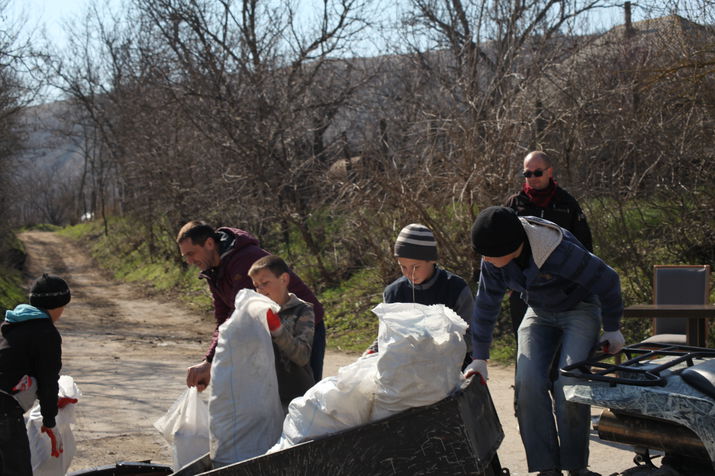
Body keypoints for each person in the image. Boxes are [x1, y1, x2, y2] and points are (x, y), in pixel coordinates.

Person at [465, 206, 625, 476]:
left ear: (512, 247)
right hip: (539, 310)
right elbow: (485, 305)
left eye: (490, 255)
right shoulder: (493, 259)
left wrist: (612, 328)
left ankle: (576, 467)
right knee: (527, 383)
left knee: (569, 382)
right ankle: (546, 468)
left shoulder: (558, 251)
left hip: (580, 308)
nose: (486, 260)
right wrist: (479, 357)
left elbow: (608, 279)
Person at [177, 221, 325, 391]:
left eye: (191, 253)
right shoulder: (213, 271)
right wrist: (210, 360)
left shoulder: (245, 259)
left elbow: (238, 315)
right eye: (185, 256)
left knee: (307, 394)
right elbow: (223, 319)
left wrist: (210, 362)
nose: (189, 261)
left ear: (209, 243)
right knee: (276, 396)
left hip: (303, 323)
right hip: (272, 328)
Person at [504, 150, 593, 335]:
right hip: (524, 289)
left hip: (560, 287)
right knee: (524, 346)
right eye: (527, 173)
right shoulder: (514, 204)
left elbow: (584, 245)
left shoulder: (567, 203)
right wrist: (508, 282)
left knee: (557, 345)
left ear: (549, 172)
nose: (532, 177)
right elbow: (500, 245)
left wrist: (580, 283)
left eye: (538, 172)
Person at [365, 223, 473, 368]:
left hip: (452, 371)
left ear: (432, 260)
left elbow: (471, 336)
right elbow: (387, 335)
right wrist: (373, 350)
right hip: (408, 373)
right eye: (403, 267)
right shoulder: (394, 293)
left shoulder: (455, 288)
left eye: (416, 267)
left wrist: (434, 347)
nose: (409, 273)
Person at [0, 274, 72, 474]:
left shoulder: (11, 326)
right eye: (63, 306)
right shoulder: (45, 333)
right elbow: (48, 379)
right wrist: (50, 420)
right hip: (4, 410)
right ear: (56, 305)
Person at [248, 255, 315, 409]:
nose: (261, 291)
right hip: (263, 396)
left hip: (295, 398)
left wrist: (277, 329)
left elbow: (302, 356)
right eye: (257, 286)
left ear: (284, 279)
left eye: (265, 283)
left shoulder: (303, 310)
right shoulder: (255, 312)